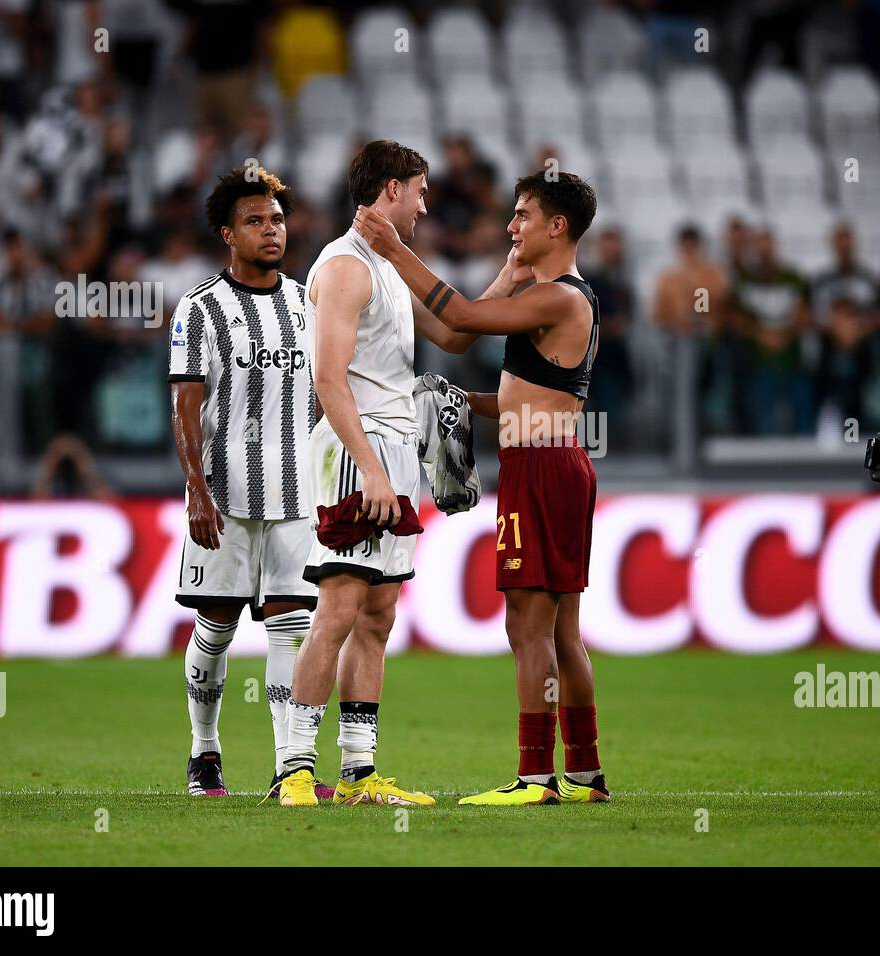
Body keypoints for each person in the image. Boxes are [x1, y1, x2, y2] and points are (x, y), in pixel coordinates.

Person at [354, 172, 610, 806]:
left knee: (527, 627)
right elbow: (528, 399)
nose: (510, 227)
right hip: (558, 461)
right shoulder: (569, 297)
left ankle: (534, 778)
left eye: (522, 216)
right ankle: (584, 774)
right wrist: (461, 401)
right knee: (562, 633)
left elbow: (463, 317)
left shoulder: (558, 298)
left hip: (542, 471)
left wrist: (392, 250)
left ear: (557, 227)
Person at [275, 140, 437, 809]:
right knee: (339, 606)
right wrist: (369, 468)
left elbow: (451, 330)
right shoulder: (344, 265)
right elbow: (328, 378)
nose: (426, 205)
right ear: (391, 190)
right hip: (356, 450)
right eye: (420, 191)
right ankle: (293, 772)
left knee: (378, 613)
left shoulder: (391, 265)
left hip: (395, 450)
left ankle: (359, 775)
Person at [168, 165, 321, 798]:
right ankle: (204, 750)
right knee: (218, 624)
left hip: (296, 494)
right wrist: (196, 489)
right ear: (228, 233)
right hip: (224, 497)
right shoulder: (200, 308)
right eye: (255, 221)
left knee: (292, 626)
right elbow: (184, 404)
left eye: (277, 220)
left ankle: (291, 765)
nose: (271, 230)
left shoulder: (307, 301)